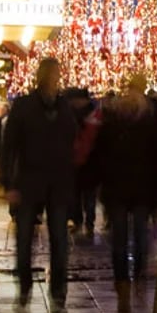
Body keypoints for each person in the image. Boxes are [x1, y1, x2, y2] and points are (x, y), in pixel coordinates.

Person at [2, 57, 76, 313]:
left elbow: (72, 142)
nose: (56, 78)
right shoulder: (24, 106)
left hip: (57, 183)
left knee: (59, 240)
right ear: (43, 76)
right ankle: (24, 287)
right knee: (24, 241)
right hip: (29, 181)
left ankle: (58, 294)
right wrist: (9, 183)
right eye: (53, 74)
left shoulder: (64, 106)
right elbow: (9, 145)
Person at [89, 84, 157, 313]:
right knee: (119, 240)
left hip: (143, 189)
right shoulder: (111, 122)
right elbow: (99, 155)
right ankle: (122, 285)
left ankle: (139, 276)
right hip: (117, 190)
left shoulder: (151, 122)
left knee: (141, 239)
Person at [67, 89, 99, 235]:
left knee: (89, 197)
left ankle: (89, 224)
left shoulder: (94, 115)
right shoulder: (70, 114)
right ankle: (79, 221)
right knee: (76, 195)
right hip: (75, 161)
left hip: (90, 162)